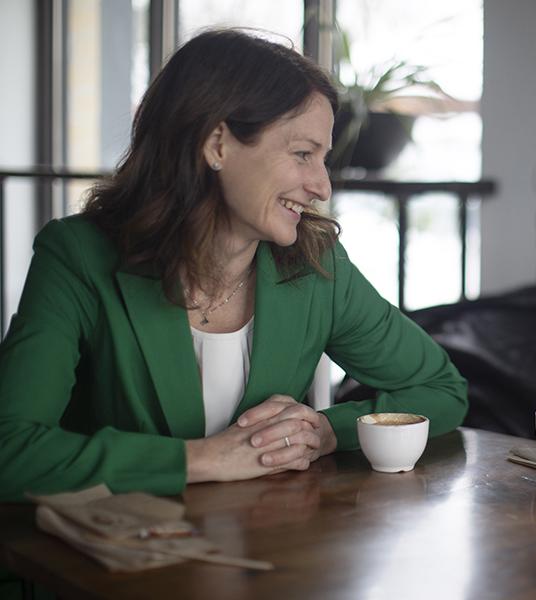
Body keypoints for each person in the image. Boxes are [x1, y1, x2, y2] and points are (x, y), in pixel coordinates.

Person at [0, 29, 468, 503]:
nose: (322, 187)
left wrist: (325, 431)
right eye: (303, 154)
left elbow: (441, 390)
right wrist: (203, 458)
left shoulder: (317, 266)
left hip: (271, 558)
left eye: (323, 159)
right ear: (217, 143)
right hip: (116, 562)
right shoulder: (78, 255)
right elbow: (10, 450)